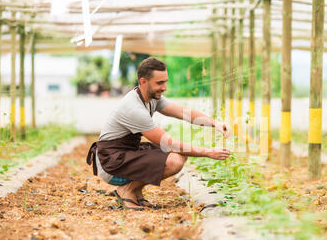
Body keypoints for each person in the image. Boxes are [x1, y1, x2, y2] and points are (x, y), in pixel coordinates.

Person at [86, 57, 231, 210]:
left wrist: (215, 123)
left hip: (125, 153)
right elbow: (167, 143)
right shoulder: (133, 108)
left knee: (181, 154)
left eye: (165, 81)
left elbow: (184, 113)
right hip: (111, 163)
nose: (164, 87)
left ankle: (136, 191)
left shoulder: (151, 97)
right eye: (159, 83)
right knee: (174, 160)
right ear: (143, 81)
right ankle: (126, 190)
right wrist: (208, 152)